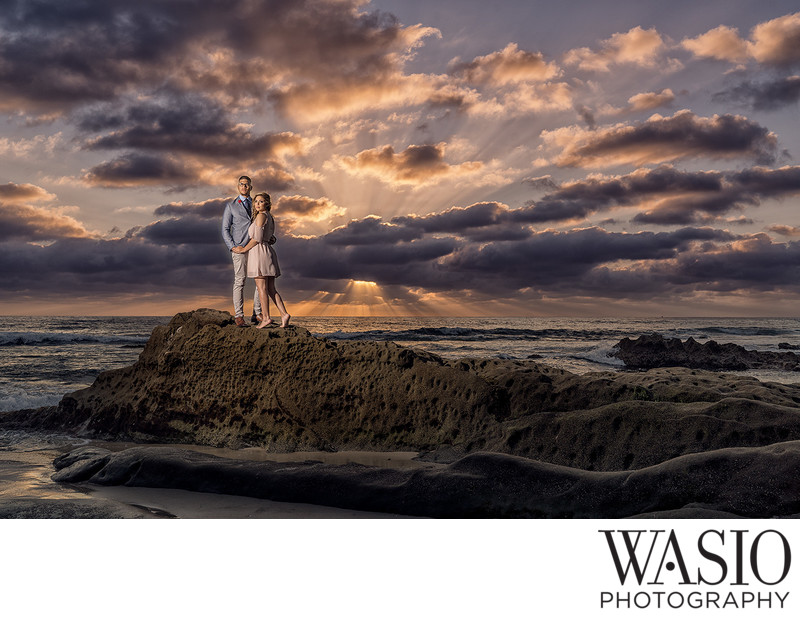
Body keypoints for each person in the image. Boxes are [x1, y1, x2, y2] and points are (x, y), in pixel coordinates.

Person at [232, 192, 291, 328]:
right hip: (267, 252)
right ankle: (284, 314)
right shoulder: (270, 217)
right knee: (270, 288)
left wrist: (243, 249)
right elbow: (269, 237)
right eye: (256, 201)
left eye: (261, 201)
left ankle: (266, 318)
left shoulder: (260, 216)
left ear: (267, 203)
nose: (257, 204)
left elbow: (257, 238)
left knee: (262, 288)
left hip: (259, 253)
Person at [221, 175, 262, 327]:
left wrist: (270, 237)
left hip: (255, 247)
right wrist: (232, 246)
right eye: (241, 184)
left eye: (247, 184)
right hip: (239, 248)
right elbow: (225, 229)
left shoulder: (256, 204)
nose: (244, 186)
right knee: (240, 281)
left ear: (251, 187)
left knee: (260, 279)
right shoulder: (231, 206)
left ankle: (257, 314)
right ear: (238, 187)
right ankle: (239, 316)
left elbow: (262, 223)